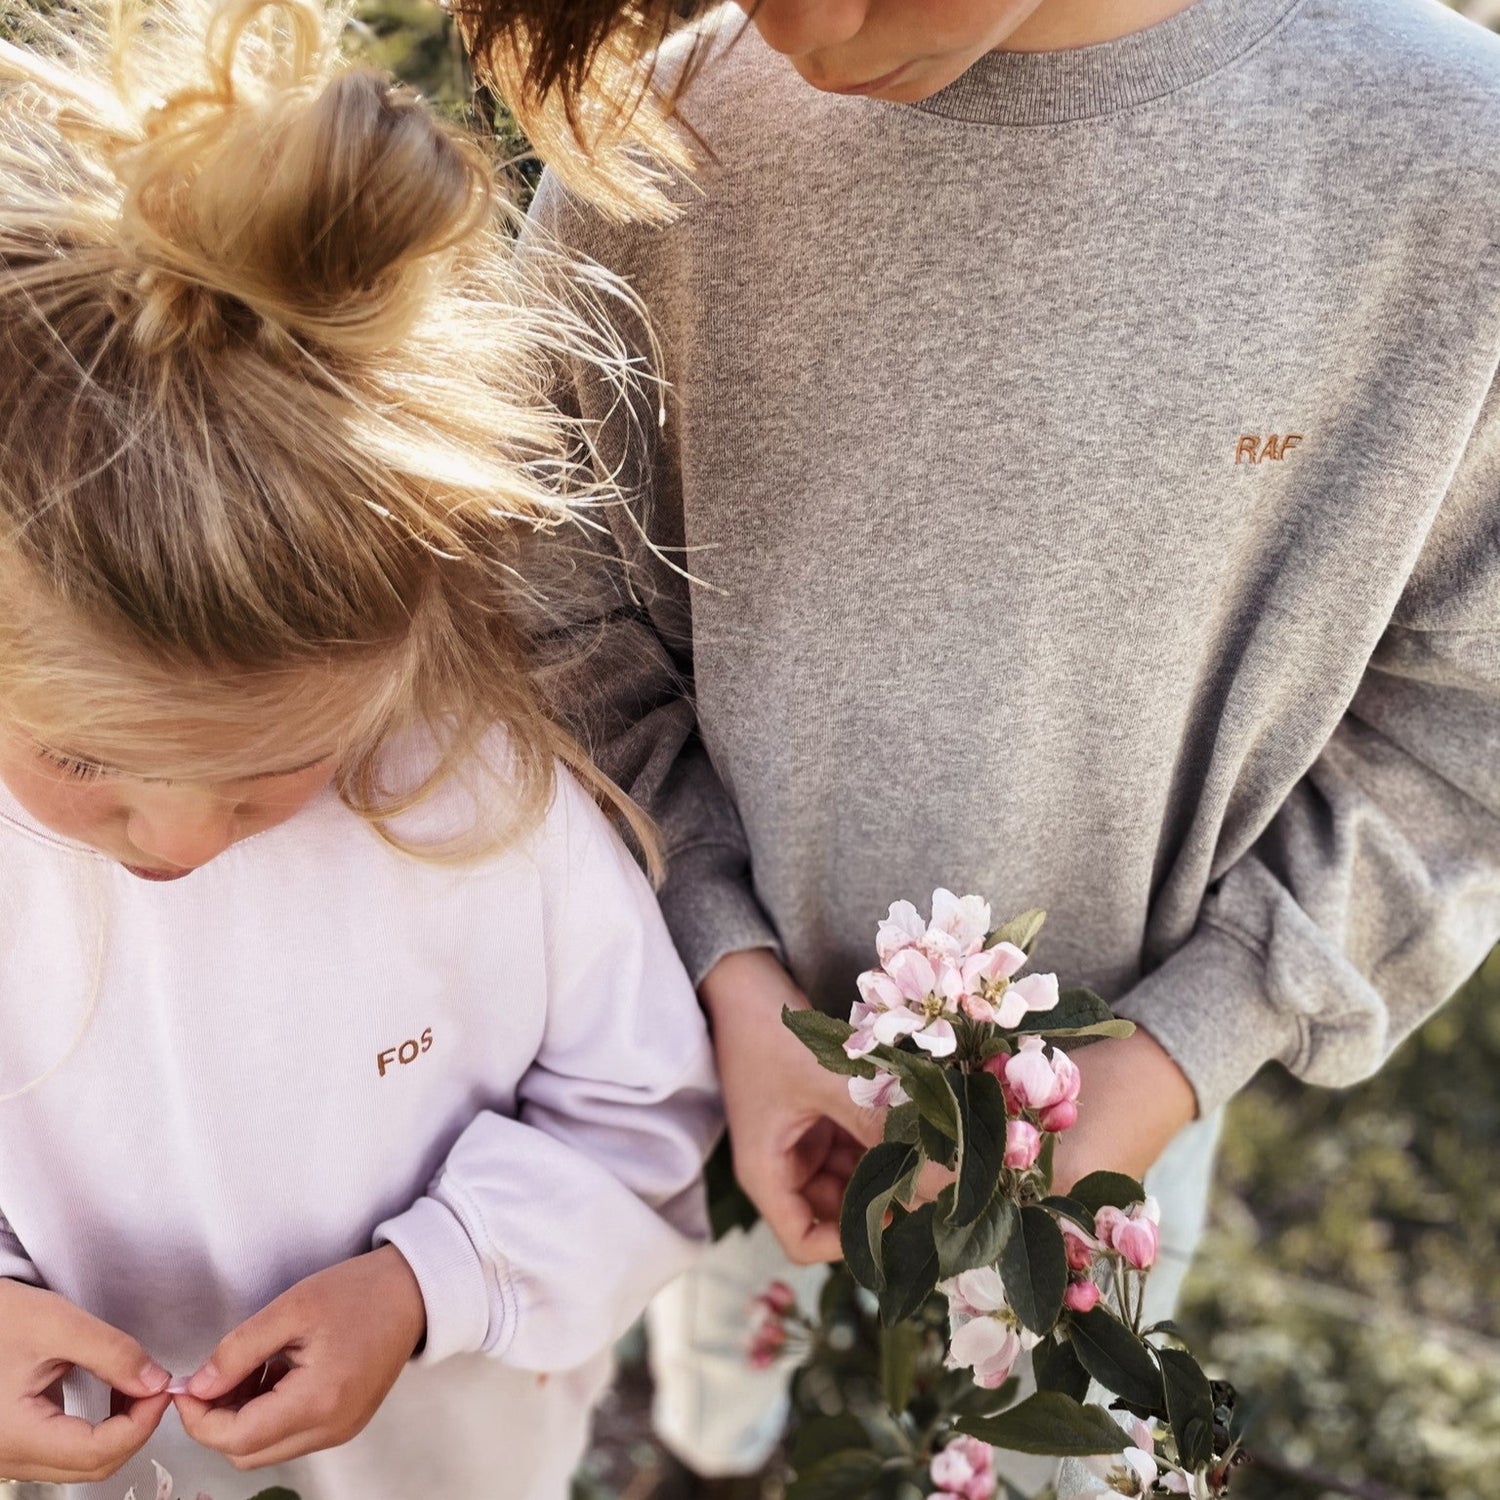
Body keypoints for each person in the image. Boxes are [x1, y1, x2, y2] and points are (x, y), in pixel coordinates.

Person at [484, 0, 1500, 1483]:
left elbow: (1460, 728)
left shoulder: (1450, 167)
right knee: (724, 1373)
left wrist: (1175, 1052)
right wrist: (725, 959)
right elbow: (552, 610)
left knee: (1039, 1454)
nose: (812, 23)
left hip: (1124, 1116)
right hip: (705, 1056)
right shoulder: (655, 143)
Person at [0, 1, 720, 1497]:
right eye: (83, 766)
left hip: (434, 1448)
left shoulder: (488, 812)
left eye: (269, 781)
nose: (180, 845)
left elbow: (641, 1130)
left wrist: (425, 1286)